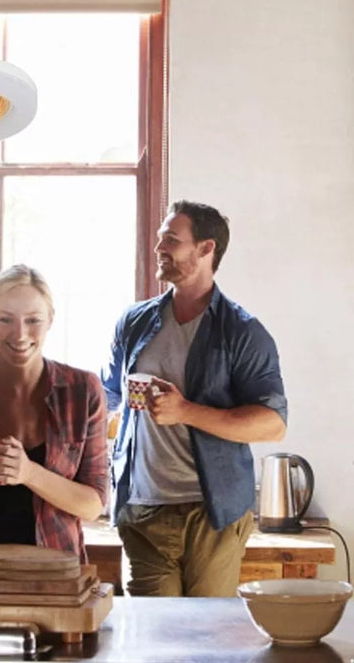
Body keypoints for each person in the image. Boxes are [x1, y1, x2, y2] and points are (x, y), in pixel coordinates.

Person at [102, 200, 287, 597]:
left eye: (171, 240)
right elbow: (108, 396)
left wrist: (185, 411)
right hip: (141, 509)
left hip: (213, 513)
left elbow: (272, 423)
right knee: (150, 644)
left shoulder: (242, 332)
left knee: (206, 642)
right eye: (159, 239)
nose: (159, 248)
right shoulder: (133, 323)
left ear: (206, 249)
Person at [0, 265, 108, 561]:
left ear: (51, 319)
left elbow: (93, 505)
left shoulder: (83, 390)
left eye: (33, 320)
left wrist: (28, 473)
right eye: (5, 319)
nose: (20, 334)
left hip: (56, 572)